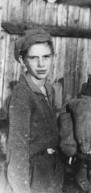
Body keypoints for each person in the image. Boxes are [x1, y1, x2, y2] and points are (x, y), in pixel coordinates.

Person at [6, 28, 64, 193]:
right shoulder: (22, 96)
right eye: (33, 58)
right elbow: (17, 151)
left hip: (52, 173)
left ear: (53, 57)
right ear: (22, 60)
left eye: (46, 57)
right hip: (32, 177)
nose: (41, 64)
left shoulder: (48, 89)